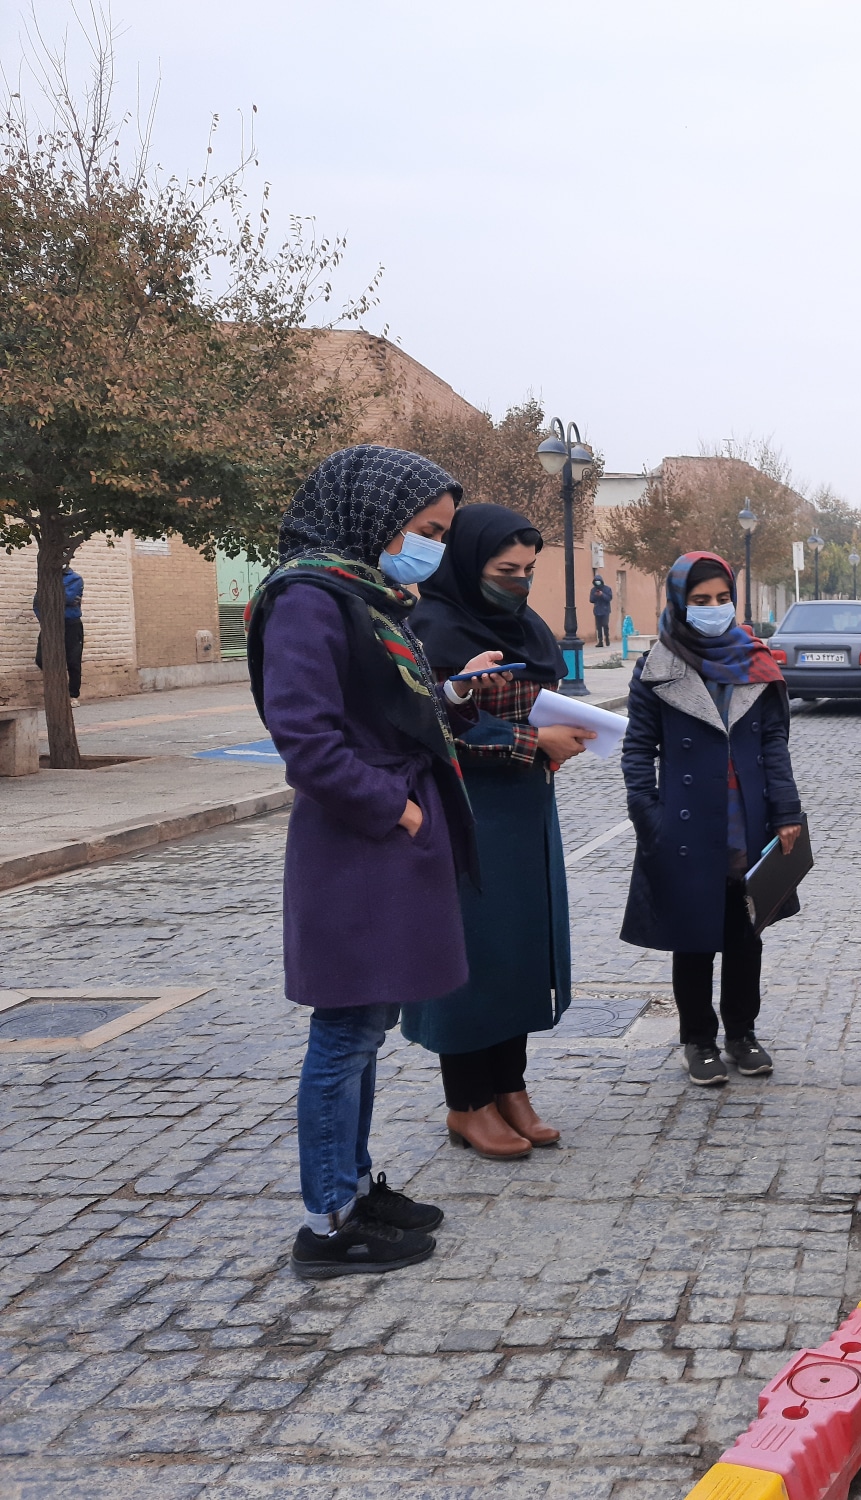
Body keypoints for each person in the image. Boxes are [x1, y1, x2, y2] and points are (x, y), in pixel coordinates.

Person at [247, 445, 498, 1278]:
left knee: (368, 1025)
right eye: (423, 530)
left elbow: (387, 704)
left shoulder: (367, 595)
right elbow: (307, 742)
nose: (428, 546)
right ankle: (327, 1222)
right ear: (375, 516)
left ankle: (354, 1186)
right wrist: (395, 807)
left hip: (387, 847)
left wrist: (451, 697)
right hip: (358, 847)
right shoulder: (308, 601)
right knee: (344, 1032)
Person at [406, 504, 594, 1158]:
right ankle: (468, 1102)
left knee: (519, 950)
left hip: (522, 810)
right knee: (473, 956)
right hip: (465, 815)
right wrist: (531, 740)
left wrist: (557, 740)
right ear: (467, 563)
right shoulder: (428, 626)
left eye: (528, 569)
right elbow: (433, 727)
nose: (517, 581)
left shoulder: (522, 625)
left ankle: (510, 1086)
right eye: (503, 569)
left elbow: (533, 696)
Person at [621, 553, 803, 1085]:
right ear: (680, 603)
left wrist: (786, 810)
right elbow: (638, 749)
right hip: (685, 825)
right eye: (701, 601)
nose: (714, 609)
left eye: (722, 598)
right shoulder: (658, 666)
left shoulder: (757, 661)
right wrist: (647, 814)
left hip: (748, 820)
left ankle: (742, 1034)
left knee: (748, 934)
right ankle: (697, 1039)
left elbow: (774, 744)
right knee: (694, 937)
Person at [32, 565, 85, 699]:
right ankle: (59, 688)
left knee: (73, 660)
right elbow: (37, 602)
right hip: (50, 625)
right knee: (41, 659)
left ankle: (73, 695)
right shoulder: (46, 578)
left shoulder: (75, 578)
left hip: (71, 624)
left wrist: (50, 596)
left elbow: (67, 597)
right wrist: (44, 620)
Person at [591, 572, 614, 648]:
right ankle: (600, 641)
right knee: (598, 627)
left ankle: (607, 638)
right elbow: (591, 600)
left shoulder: (607, 589)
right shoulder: (593, 590)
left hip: (605, 610)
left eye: (599, 581)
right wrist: (596, 596)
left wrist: (602, 595)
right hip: (597, 611)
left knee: (605, 625)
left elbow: (609, 598)